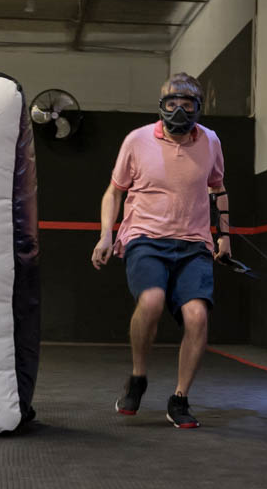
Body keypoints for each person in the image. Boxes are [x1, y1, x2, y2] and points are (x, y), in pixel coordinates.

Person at [92, 73, 231, 429]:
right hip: (145, 237)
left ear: (198, 108)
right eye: (172, 103)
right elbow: (114, 191)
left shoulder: (211, 141)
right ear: (161, 106)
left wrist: (224, 237)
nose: (179, 110)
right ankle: (138, 377)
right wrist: (106, 235)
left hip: (193, 243)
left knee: (198, 316)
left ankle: (180, 398)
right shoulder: (137, 140)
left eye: (187, 104)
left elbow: (218, 188)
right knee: (151, 302)